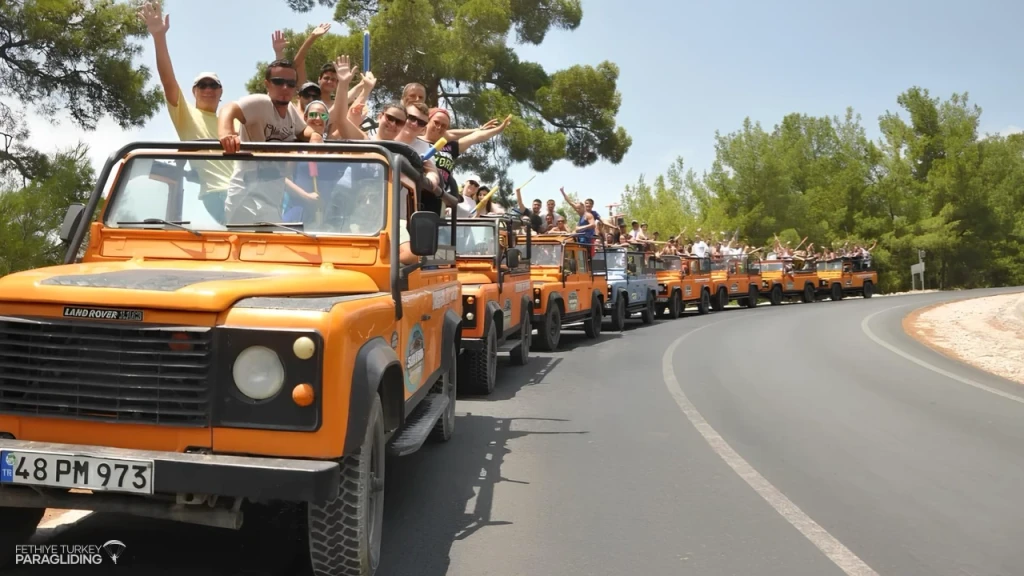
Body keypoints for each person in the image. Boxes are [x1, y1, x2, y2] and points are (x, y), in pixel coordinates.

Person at [138, 1, 233, 223]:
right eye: (203, 85)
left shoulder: (232, 123)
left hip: (245, 190)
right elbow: (168, 81)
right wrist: (159, 37)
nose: (208, 89)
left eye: (213, 85)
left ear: (221, 92)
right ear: (194, 91)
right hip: (219, 193)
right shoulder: (186, 115)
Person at [216, 59, 323, 224]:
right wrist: (226, 133)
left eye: (290, 83)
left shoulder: (290, 112)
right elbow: (228, 109)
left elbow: (303, 130)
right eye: (278, 82)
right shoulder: (261, 103)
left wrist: (315, 135)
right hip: (247, 196)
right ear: (267, 84)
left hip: (272, 198)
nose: (285, 88)